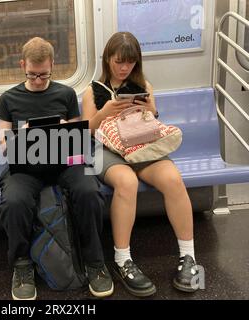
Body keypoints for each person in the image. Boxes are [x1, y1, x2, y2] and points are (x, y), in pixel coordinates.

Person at [82, 32, 200, 297]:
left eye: (130, 63)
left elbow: (150, 122)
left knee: (172, 179)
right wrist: (104, 113)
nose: (125, 68)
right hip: (105, 149)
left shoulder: (144, 84)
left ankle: (188, 256)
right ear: (107, 60)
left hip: (142, 146)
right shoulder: (93, 91)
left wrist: (150, 108)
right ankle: (123, 259)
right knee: (127, 182)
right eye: (119, 61)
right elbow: (86, 130)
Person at [0, 37, 113, 300]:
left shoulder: (65, 94)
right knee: (14, 201)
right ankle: (22, 265)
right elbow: (2, 145)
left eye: (44, 75)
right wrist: (21, 135)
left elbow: (78, 139)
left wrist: (63, 128)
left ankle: (94, 261)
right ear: (22, 65)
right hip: (25, 166)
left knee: (88, 190)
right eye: (32, 75)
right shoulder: (9, 98)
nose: (38, 81)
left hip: (63, 162)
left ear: (52, 66)